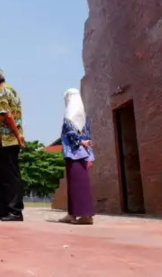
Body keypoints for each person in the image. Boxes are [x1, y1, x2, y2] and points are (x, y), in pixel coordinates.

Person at [0, 68, 25, 222]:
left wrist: (17, 135)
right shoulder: (13, 91)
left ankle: (15, 211)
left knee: (10, 177)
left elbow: (7, 114)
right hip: (7, 139)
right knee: (5, 176)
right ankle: (3, 210)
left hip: (7, 138)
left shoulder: (1, 92)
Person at [59, 88, 95, 225]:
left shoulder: (69, 116)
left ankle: (85, 215)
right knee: (75, 185)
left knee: (78, 186)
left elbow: (70, 134)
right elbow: (87, 138)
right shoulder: (84, 117)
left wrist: (79, 142)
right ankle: (72, 213)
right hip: (83, 155)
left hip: (73, 155)